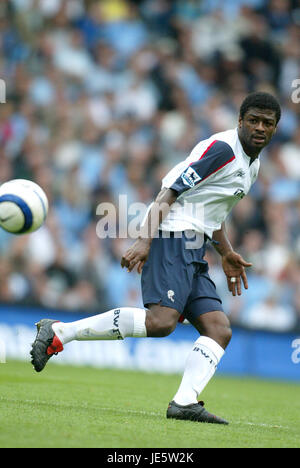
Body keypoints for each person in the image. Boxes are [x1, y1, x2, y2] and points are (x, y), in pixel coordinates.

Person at [30, 92, 281, 425]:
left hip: (195, 244)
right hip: (173, 234)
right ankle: (60, 332)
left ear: (276, 128)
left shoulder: (253, 165)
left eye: (268, 123)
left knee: (219, 329)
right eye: (254, 120)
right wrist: (145, 240)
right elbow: (170, 192)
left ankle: (184, 402)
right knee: (162, 322)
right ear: (240, 121)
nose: (260, 128)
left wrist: (227, 252)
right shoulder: (223, 150)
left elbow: (212, 212)